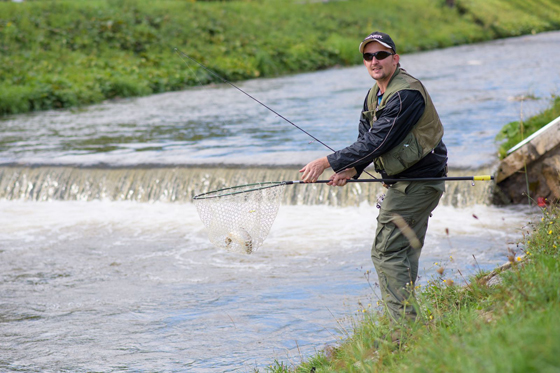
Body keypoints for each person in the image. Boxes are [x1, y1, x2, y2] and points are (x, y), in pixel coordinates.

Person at [300, 31, 448, 321]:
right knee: (403, 251)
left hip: (417, 183)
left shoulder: (406, 93)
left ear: (395, 58)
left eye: (380, 55)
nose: (374, 61)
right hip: (408, 183)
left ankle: (404, 327)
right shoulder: (375, 94)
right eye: (368, 56)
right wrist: (351, 169)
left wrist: (326, 162)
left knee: (386, 252)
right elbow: (365, 139)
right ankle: (408, 323)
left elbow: (379, 141)